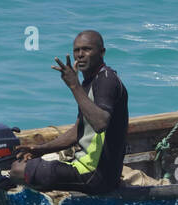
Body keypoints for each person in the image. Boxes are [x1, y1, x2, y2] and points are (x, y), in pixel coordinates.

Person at [8, 30, 129, 195]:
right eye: (76, 50)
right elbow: (78, 131)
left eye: (87, 49)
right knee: (20, 159)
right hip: (83, 167)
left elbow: (100, 123)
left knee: (17, 170)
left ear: (102, 52)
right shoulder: (89, 82)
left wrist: (74, 86)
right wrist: (40, 150)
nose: (80, 55)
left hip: (96, 175)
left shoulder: (106, 80)